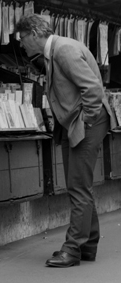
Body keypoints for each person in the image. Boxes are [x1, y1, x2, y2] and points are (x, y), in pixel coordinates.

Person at [14, 14, 116, 268]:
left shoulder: (64, 50)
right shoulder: (57, 50)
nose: (21, 44)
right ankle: (88, 246)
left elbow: (92, 89)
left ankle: (73, 249)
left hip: (86, 122)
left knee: (77, 186)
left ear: (35, 34)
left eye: (23, 38)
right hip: (80, 121)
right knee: (79, 184)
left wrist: (87, 123)